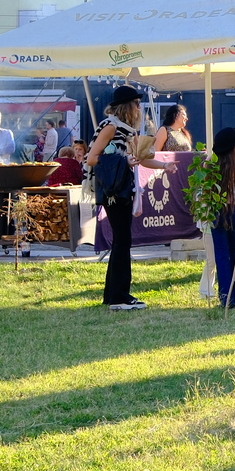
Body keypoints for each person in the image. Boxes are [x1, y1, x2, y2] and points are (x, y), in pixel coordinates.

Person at [87, 87, 168, 309]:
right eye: (136, 104)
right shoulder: (111, 127)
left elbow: (141, 158)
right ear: (127, 107)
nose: (139, 108)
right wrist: (124, 162)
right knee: (122, 241)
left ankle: (113, 294)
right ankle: (119, 297)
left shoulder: (127, 130)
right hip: (113, 190)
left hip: (123, 188)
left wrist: (164, 165)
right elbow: (92, 158)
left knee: (122, 241)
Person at [208, 127, 235, 309]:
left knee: (222, 255)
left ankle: (225, 298)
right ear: (234, 148)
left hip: (216, 211)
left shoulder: (208, 165)